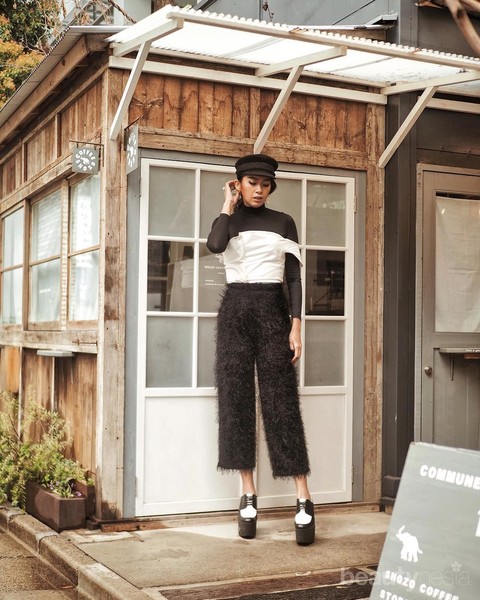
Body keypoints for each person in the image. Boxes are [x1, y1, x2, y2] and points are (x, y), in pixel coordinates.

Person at [206, 153, 315, 545]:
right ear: (238, 184)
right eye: (252, 182)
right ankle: (248, 494)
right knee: (235, 399)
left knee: (281, 400)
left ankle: (303, 497)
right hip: (235, 310)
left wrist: (296, 324)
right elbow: (215, 245)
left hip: (273, 309)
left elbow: (294, 277)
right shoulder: (227, 222)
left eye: (265, 184)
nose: (259, 190)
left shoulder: (283, 222)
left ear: (271, 187)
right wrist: (226, 205)